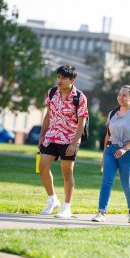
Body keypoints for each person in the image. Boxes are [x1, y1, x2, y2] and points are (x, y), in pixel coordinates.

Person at [38, 65, 89, 218]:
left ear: (72, 80)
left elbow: (82, 122)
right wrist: (42, 135)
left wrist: (74, 143)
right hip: (52, 136)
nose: (59, 80)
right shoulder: (52, 93)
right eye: (58, 77)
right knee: (42, 166)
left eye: (64, 78)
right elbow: (48, 115)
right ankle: (52, 199)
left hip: (69, 138)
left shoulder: (79, 97)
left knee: (67, 172)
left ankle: (67, 207)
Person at [92, 85, 130, 223]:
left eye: (124, 95)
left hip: (128, 151)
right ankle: (101, 212)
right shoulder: (112, 113)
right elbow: (107, 136)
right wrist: (104, 155)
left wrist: (124, 149)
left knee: (126, 183)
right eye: (119, 94)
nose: (121, 97)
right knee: (106, 181)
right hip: (110, 151)